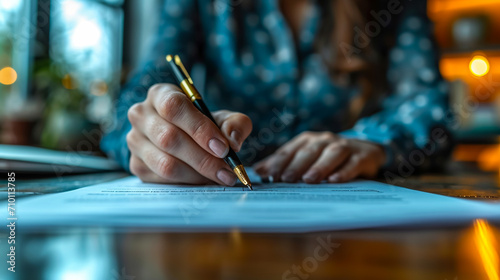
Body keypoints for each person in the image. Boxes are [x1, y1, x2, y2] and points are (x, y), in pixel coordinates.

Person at [102, 0, 451, 186]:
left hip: (350, 217)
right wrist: (153, 136)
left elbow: (431, 109)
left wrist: (374, 144)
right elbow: (130, 109)